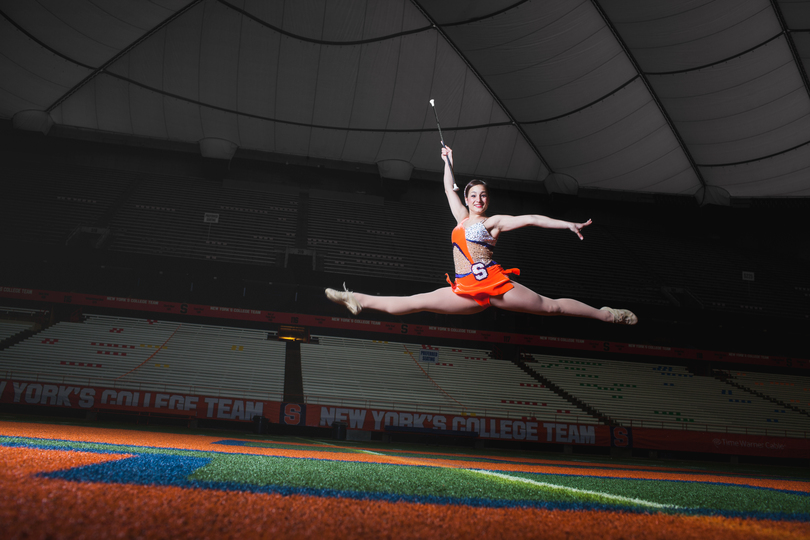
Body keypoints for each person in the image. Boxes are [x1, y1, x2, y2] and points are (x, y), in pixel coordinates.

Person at [325, 146, 637, 325]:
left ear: (487, 199)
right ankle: (356, 298)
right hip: (464, 290)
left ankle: (605, 315)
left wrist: (567, 224)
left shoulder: (493, 222)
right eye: (473, 194)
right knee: (416, 301)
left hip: (495, 285)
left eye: (482, 195)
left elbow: (531, 219)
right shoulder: (461, 218)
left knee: (550, 306)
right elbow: (449, 188)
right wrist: (447, 161)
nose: (478, 199)